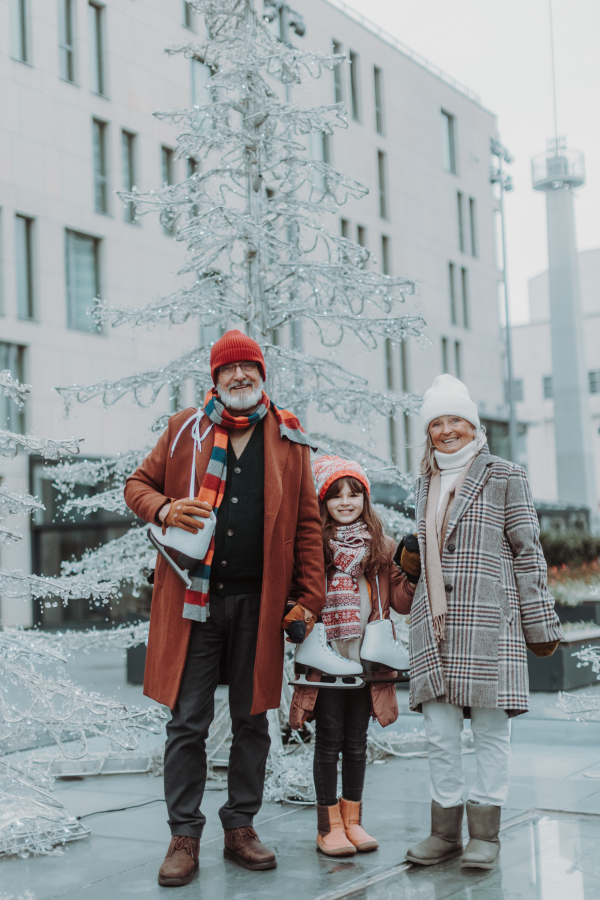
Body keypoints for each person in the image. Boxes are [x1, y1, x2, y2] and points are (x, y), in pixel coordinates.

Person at [124, 329, 325, 887]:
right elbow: (136, 485)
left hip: (260, 606)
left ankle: (240, 827)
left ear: (262, 376)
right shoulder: (184, 429)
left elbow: (308, 525)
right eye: (228, 371)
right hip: (195, 605)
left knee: (252, 718)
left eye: (249, 370)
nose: (239, 378)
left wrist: (309, 599)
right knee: (187, 721)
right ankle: (183, 836)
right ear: (214, 379)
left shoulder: (289, 437)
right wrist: (164, 509)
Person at [397, 374, 563, 871]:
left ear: (474, 425)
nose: (447, 430)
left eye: (456, 420)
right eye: (438, 422)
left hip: (490, 621)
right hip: (435, 622)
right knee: (439, 733)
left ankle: (485, 835)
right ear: (428, 431)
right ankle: (444, 832)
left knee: (490, 731)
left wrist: (539, 621)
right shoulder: (424, 481)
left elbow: (528, 552)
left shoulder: (505, 474)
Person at [289, 455, 416, 857]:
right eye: (335, 495)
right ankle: (329, 827)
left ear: (366, 498)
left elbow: (399, 601)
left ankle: (354, 821)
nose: (346, 502)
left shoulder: (382, 547)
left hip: (367, 657)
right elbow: (296, 595)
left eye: (354, 493)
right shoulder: (312, 547)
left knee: (357, 742)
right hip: (326, 657)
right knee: (328, 740)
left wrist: (410, 574)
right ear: (322, 502)